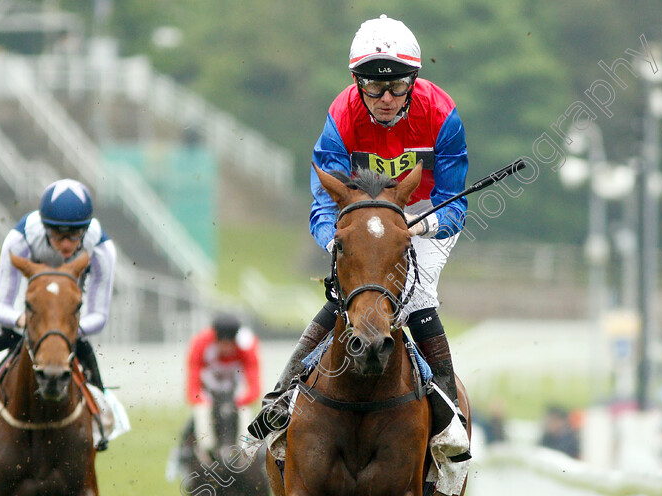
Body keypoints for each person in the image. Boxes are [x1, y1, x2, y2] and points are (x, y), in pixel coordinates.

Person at [248, 14, 470, 442]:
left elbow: (454, 205)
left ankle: (447, 416)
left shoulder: (443, 115)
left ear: (414, 80)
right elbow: (322, 200)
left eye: (397, 85)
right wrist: (339, 242)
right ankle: (281, 397)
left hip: (422, 214)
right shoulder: (341, 116)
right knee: (350, 291)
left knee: (416, 293)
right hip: (362, 216)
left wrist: (417, 226)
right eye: (372, 85)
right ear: (356, 81)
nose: (386, 97)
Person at [0, 179, 117, 432]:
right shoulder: (20, 239)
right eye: (58, 235)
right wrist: (23, 321)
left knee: (83, 348)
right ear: (45, 227)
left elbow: (99, 314)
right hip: (31, 303)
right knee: (1, 338)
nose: (67, 244)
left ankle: (101, 406)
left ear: (86, 229)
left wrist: (65, 328)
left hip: (68, 311)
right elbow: (0, 306)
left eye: (74, 235)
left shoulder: (102, 249)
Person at [186, 313, 261, 446]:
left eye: (229, 344)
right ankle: (205, 450)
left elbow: (254, 388)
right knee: (201, 413)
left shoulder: (248, 346)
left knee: (245, 414)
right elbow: (193, 387)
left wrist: (240, 402)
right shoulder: (200, 343)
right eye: (222, 343)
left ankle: (246, 452)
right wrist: (203, 401)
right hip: (208, 391)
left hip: (235, 392)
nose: (226, 348)